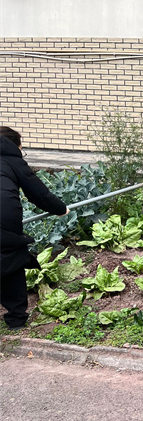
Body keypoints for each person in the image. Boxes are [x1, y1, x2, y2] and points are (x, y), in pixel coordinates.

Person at [1, 126, 69, 330]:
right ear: (15, 146)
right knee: (10, 258)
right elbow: (38, 192)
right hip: (3, 214)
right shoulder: (12, 159)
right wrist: (60, 209)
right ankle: (15, 318)